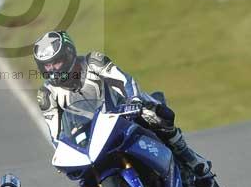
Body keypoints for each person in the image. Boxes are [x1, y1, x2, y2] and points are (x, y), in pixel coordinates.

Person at [33, 30, 212, 178]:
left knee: (156, 115)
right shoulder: (46, 94)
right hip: (92, 133)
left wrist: (134, 101)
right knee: (83, 175)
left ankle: (189, 157)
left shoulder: (93, 62)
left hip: (125, 110)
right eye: (47, 66)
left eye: (56, 62)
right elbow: (55, 135)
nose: (53, 70)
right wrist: (64, 154)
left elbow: (124, 80)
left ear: (69, 54)